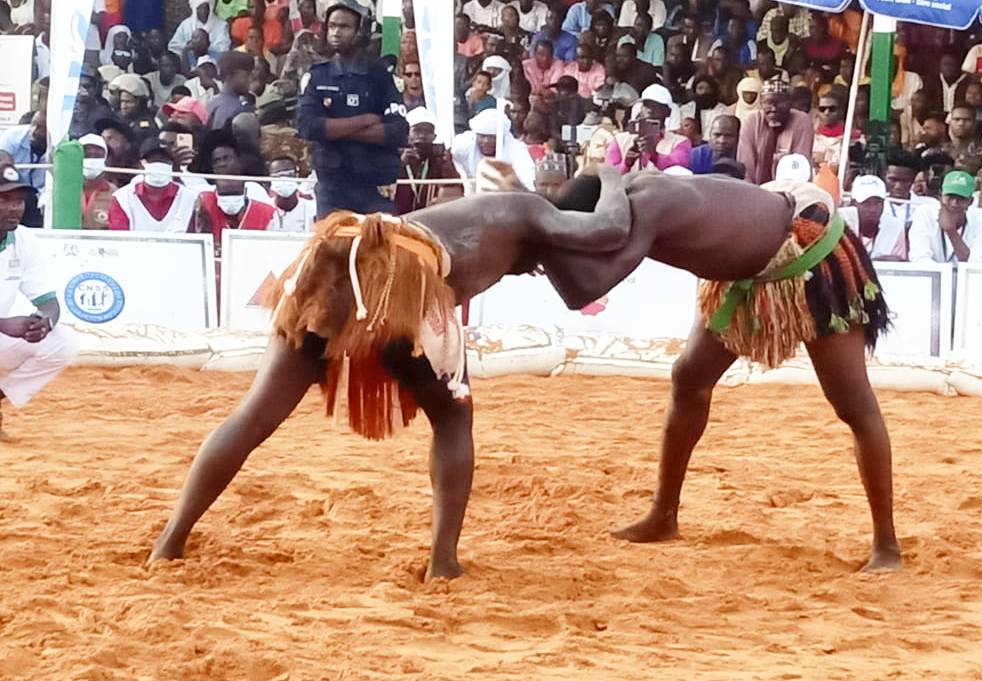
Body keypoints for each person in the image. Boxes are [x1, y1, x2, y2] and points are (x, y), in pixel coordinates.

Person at [147, 164, 635, 579]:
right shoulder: (532, 210)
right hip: (401, 277)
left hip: (330, 260)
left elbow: (577, 289)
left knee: (254, 415)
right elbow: (609, 229)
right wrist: (613, 175)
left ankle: (170, 541)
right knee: (453, 419)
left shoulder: (506, 213)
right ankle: (443, 562)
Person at [535, 174, 899, 574]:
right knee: (689, 377)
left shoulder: (649, 205)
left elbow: (583, 290)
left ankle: (887, 544)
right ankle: (663, 514)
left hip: (809, 249)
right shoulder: (631, 195)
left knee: (853, 405)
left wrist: (542, 252)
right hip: (745, 265)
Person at [298, 0, 408, 218]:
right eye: (332, 26)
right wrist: (365, 120)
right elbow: (309, 127)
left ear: (361, 31)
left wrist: (335, 130)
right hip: (332, 189)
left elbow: (397, 131)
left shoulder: (381, 77)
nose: (336, 32)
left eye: (344, 26)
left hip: (375, 188)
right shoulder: (317, 76)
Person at [0, 163, 78, 439]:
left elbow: (49, 302)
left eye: (19, 200)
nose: (14, 208)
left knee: (63, 342)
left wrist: (43, 322)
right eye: (4, 200)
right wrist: (3, 324)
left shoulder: (24, 240)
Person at [107, 139, 199, 232]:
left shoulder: (191, 199)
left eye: (164, 161)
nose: (159, 164)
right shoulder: (122, 198)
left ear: (172, 165)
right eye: (153, 160)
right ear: (140, 165)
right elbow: (119, 238)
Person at [907, 170, 982, 263]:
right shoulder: (925, 213)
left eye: (961, 198)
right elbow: (919, 257)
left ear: (970, 202)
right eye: (950, 196)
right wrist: (944, 272)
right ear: (940, 196)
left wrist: (951, 231)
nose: (954, 203)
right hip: (931, 273)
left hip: (965, 274)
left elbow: (979, 263)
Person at [738, 80, 814, 185]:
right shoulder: (752, 121)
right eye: (768, 103)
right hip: (754, 189)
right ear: (761, 103)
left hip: (790, 188)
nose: (773, 109)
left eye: (780, 103)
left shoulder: (801, 121)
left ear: (790, 103)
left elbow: (800, 165)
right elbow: (746, 165)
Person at [605, 86, 691, 173]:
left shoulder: (680, 142)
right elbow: (609, 176)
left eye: (656, 106)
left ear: (668, 112)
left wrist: (655, 156)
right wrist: (626, 164)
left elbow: (679, 172)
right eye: (646, 105)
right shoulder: (619, 140)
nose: (650, 110)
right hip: (629, 182)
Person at [452, 108, 536, 190]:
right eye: (482, 136)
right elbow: (451, 157)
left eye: (492, 137)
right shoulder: (464, 144)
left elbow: (528, 180)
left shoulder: (516, 149)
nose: (486, 141)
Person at [397, 107, 462, 214]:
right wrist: (400, 164)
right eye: (417, 130)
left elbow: (454, 187)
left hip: (430, 216)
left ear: (434, 136)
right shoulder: (395, 154)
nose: (422, 135)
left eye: (428, 131)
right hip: (398, 216)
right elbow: (383, 185)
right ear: (407, 134)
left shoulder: (440, 156)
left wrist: (445, 162)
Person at [193, 174, 275, 257]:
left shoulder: (265, 212)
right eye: (224, 194)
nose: (230, 198)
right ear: (216, 192)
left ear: (245, 191)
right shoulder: (206, 205)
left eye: (235, 193)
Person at [840, 175, 906, 261]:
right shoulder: (840, 222)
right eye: (866, 203)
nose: (873, 209)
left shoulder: (894, 227)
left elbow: (900, 262)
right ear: (853, 203)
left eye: (878, 203)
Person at [0, 110, 47, 228]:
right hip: (8, 185)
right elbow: (2, 157)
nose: (34, 130)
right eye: (33, 124)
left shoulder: (59, 148)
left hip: (36, 195)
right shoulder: (12, 137)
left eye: (41, 128)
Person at [265, 156, 317, 232]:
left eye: (289, 174)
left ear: (296, 176)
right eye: (277, 176)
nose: (284, 179)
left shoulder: (312, 209)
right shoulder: (264, 209)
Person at [206, 51, 254, 130]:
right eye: (246, 75)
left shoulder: (211, 103)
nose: (250, 80)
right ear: (229, 76)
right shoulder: (240, 110)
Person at [79, 134, 116, 230]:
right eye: (87, 155)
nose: (92, 160)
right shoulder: (65, 191)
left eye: (97, 156)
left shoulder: (115, 194)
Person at [812, 93, 847, 171]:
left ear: (840, 111)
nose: (827, 113)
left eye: (832, 109)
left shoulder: (850, 137)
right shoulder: (811, 137)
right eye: (822, 109)